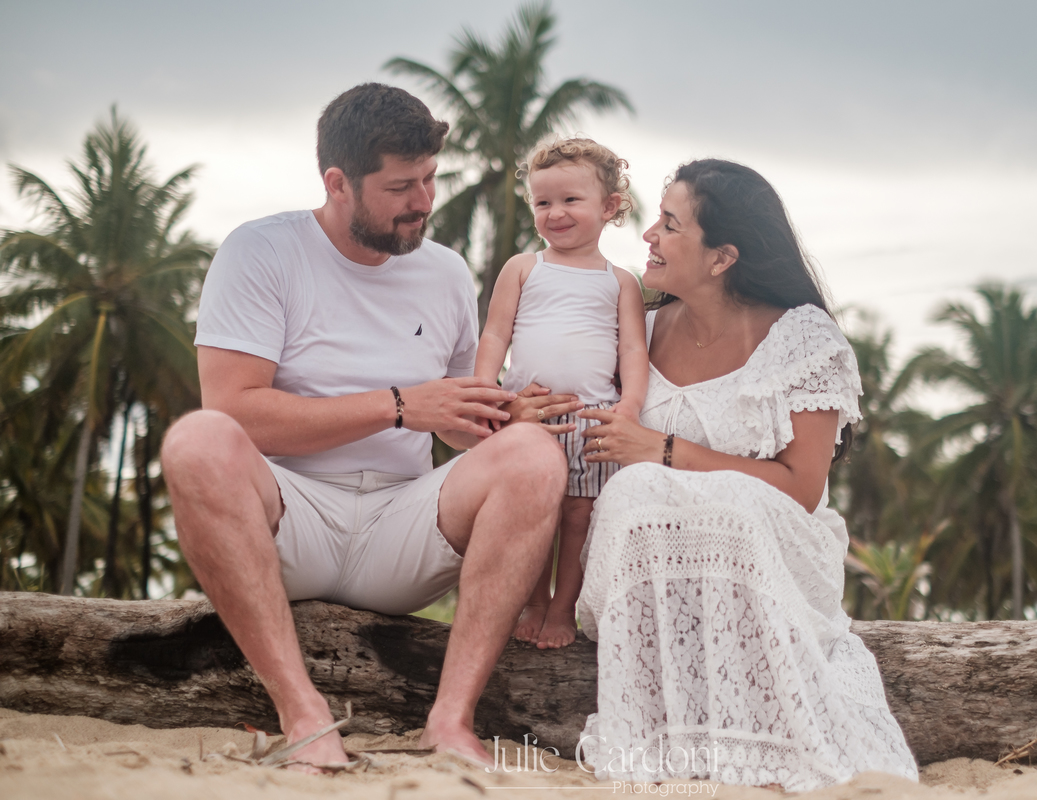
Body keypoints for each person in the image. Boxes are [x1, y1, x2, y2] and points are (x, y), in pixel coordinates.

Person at [160, 83, 578, 771]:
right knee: (195, 440)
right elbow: (234, 409)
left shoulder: (445, 272)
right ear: (337, 183)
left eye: (430, 179)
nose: (423, 200)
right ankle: (305, 716)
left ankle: (450, 721)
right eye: (400, 187)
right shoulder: (260, 251)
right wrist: (398, 405)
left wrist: (505, 416)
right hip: (291, 520)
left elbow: (454, 418)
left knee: (532, 454)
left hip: (403, 530)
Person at [573, 160, 919, 791]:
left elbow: (800, 488)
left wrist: (663, 449)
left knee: (723, 496)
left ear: (722, 257)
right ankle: (656, 740)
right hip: (648, 557)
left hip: (774, 548)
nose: (649, 235)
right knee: (633, 489)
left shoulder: (802, 340)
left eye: (670, 224)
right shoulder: (637, 331)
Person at [474, 138, 649, 649]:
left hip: (592, 417)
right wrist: (486, 390)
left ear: (609, 206)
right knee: (533, 515)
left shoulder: (621, 281)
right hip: (528, 414)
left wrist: (630, 406)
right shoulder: (523, 267)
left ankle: (562, 607)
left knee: (578, 516)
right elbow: (495, 334)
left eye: (571, 200)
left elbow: (633, 350)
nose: (555, 213)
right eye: (542, 202)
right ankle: (532, 601)